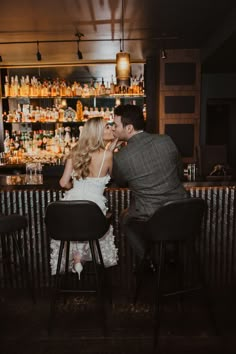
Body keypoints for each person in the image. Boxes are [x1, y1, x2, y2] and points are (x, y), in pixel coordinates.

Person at [111, 104, 188, 260]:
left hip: (151, 215)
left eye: (116, 125)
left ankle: (148, 259)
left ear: (129, 128)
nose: (113, 129)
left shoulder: (121, 156)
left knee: (125, 218)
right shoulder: (166, 140)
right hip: (182, 211)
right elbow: (180, 173)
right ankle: (169, 254)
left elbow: (120, 182)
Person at [50, 117, 118, 278]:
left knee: (76, 226)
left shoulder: (75, 152)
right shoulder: (107, 155)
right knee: (89, 224)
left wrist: (75, 187)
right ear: (98, 133)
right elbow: (112, 176)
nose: (111, 129)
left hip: (71, 204)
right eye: (107, 127)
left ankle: (77, 259)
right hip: (93, 207)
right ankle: (82, 260)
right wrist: (112, 147)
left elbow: (63, 182)